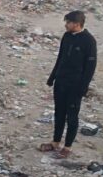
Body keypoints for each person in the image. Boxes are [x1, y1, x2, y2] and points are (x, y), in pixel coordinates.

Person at [40, 10, 97, 159]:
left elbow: (90, 68)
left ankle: (67, 146)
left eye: (68, 22)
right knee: (59, 113)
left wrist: (83, 88)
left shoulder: (89, 41)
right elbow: (60, 58)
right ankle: (55, 142)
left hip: (75, 85)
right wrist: (52, 77)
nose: (66, 25)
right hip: (61, 82)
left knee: (72, 116)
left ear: (77, 24)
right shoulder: (66, 37)